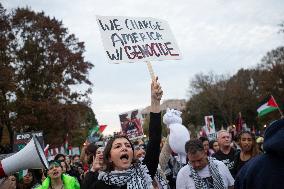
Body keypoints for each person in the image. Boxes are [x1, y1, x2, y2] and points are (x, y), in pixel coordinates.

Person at [90, 77, 163, 189]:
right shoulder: (99, 186)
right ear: (109, 157)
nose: (124, 148)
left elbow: (155, 138)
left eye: (128, 146)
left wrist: (155, 102)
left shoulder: (144, 172)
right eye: (118, 146)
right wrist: (91, 172)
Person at [234, 119, 284, 189]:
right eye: (244, 139)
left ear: (253, 142)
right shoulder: (236, 155)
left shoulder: (259, 156)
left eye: (249, 140)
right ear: (239, 141)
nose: (246, 142)